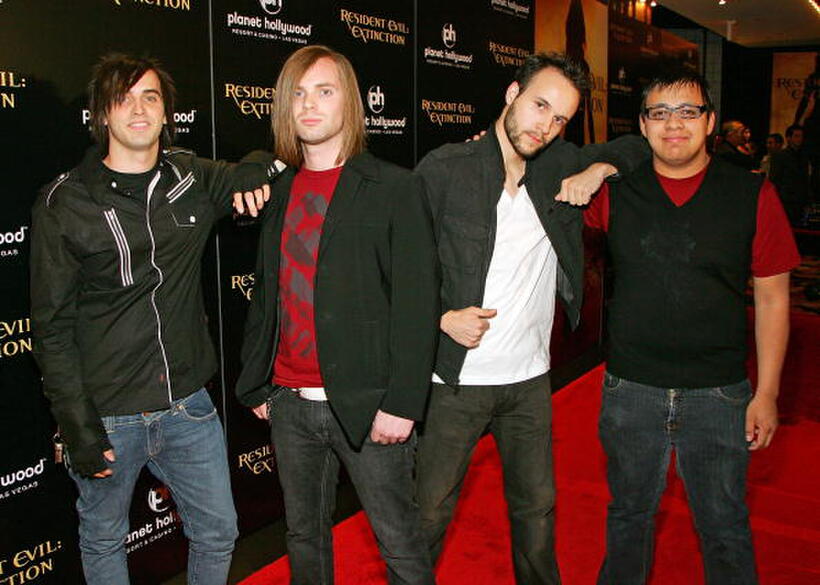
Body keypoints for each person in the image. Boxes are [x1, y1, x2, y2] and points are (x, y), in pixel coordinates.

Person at [30, 53, 274, 585]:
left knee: (218, 531)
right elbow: (50, 330)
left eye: (150, 97)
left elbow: (262, 164)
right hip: (108, 415)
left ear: (166, 114)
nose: (138, 109)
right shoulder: (63, 202)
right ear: (102, 115)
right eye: (123, 98)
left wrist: (255, 166)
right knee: (103, 538)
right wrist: (78, 429)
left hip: (188, 408)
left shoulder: (192, 177)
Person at [413, 52, 647, 585]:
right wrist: (441, 317)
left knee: (536, 512)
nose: (545, 125)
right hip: (456, 380)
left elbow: (636, 147)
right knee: (427, 515)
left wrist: (596, 169)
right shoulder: (446, 168)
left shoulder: (559, 165)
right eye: (540, 105)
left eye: (560, 117)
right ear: (511, 94)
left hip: (529, 381)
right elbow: (396, 262)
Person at [583, 71, 800, 585]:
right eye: (659, 113)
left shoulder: (752, 194)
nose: (673, 124)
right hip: (631, 389)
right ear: (641, 124)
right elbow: (539, 200)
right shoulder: (613, 194)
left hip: (720, 393)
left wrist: (767, 393)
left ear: (710, 122)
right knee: (628, 517)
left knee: (724, 524)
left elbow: (772, 299)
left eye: (688, 111)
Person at [235, 45, 439, 585]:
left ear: (348, 101)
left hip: (371, 408)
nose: (309, 105)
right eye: (297, 94)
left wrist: (402, 403)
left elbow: (419, 305)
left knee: (400, 545)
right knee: (304, 538)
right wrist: (259, 385)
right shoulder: (275, 191)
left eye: (323, 92)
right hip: (290, 404)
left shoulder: (395, 187)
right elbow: (268, 294)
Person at [770, 124, 813, 224]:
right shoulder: (780, 156)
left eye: (801, 136)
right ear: (788, 138)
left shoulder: (804, 157)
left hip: (800, 200)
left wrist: (808, 199)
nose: (800, 139)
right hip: (786, 201)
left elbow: (805, 179)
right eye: (796, 136)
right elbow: (775, 179)